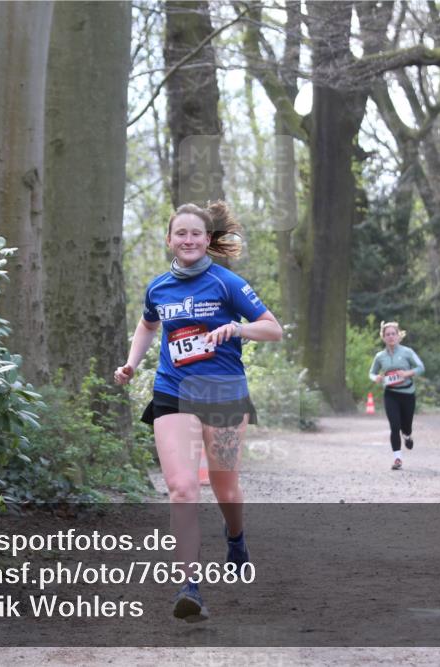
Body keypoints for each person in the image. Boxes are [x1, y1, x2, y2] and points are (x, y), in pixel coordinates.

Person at [114, 202, 282, 622]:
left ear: (208, 240)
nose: (188, 240)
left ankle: (236, 536)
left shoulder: (227, 284)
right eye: (180, 234)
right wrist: (133, 361)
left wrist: (238, 328)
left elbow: (273, 328)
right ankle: (189, 587)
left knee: (225, 489)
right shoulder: (158, 288)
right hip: (173, 391)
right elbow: (148, 324)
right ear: (169, 239)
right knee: (183, 489)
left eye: (196, 234)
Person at [369, 321, 425, 471]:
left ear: (398, 335)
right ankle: (397, 458)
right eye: (387, 334)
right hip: (391, 394)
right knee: (394, 426)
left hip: (407, 394)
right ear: (383, 337)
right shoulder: (380, 356)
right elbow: (372, 373)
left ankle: (407, 435)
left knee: (405, 426)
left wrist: (407, 373)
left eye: (393, 334)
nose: (391, 337)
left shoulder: (407, 352)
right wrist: (377, 378)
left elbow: (421, 367)